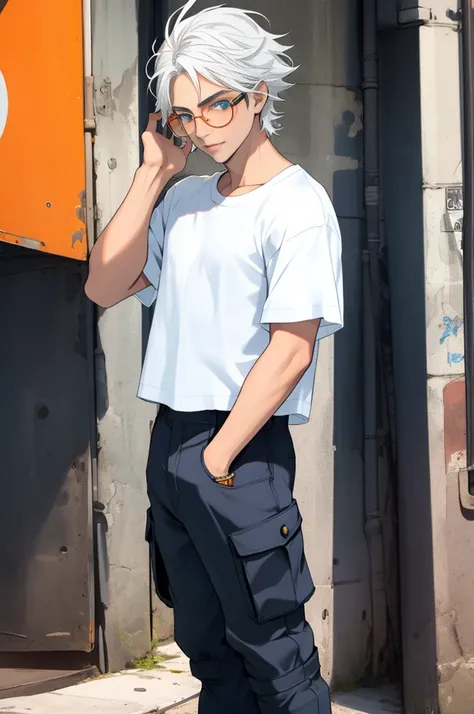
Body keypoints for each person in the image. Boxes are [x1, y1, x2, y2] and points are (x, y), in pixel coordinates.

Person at [85, 1, 343, 712]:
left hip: (239, 450)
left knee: (277, 658)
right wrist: (152, 173)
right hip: (173, 444)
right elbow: (103, 283)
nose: (199, 128)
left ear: (258, 94)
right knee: (210, 654)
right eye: (183, 115)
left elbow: (291, 348)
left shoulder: (298, 206)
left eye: (215, 105)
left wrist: (218, 457)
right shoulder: (185, 201)